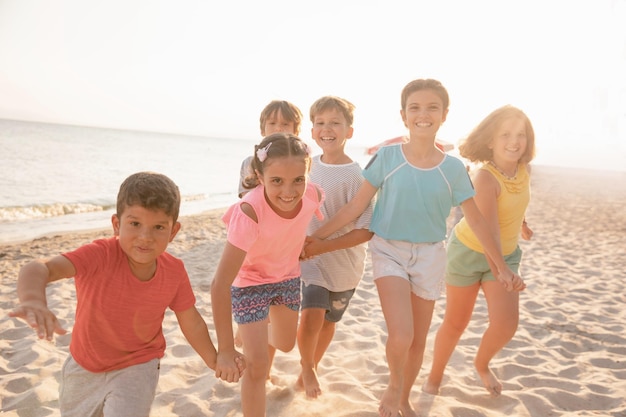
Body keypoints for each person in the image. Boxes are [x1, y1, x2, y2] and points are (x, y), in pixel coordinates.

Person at [308, 79, 525, 417]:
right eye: (415, 108)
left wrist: (501, 266)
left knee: (418, 339)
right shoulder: (388, 157)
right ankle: (394, 387)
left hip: (430, 256)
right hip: (388, 250)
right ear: (403, 115)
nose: (423, 114)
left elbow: (477, 221)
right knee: (402, 334)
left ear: (445, 114)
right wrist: (318, 238)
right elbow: (354, 208)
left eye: (431, 108)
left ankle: (404, 397)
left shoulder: (453, 169)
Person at [9, 172, 244, 417]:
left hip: (139, 365)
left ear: (173, 231)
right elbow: (39, 268)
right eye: (134, 224)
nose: (145, 237)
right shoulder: (99, 255)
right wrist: (33, 300)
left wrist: (213, 360)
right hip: (84, 367)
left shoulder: (174, 271)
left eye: (158, 227)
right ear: (116, 224)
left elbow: (191, 321)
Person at [423, 105, 535, 397]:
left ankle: (481, 364)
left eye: (520, 134)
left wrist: (521, 222)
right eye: (506, 135)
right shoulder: (484, 178)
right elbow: (489, 233)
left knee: (506, 325)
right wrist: (503, 271)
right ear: (490, 141)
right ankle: (435, 376)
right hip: (470, 253)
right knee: (457, 322)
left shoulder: (524, 169)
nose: (514, 141)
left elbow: (515, 198)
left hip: (505, 254)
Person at [211, 132, 324, 417]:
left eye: (298, 179)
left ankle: (252, 330)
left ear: (308, 173)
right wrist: (225, 349)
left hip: (286, 277)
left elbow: (301, 225)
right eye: (277, 181)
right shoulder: (249, 212)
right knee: (258, 366)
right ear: (260, 176)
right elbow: (219, 284)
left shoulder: (313, 194)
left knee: (286, 344)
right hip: (250, 282)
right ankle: (250, 332)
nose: (289, 191)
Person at [296, 96, 374, 399]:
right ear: (312, 131)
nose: (327, 129)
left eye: (335, 123)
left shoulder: (358, 176)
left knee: (328, 323)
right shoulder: (306, 167)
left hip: (345, 265)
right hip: (309, 260)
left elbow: (365, 232)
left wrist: (323, 246)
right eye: (320, 123)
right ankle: (307, 367)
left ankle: (311, 364)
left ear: (349, 132)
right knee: (311, 315)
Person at [238, 100, 303, 198]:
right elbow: (246, 198)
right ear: (262, 129)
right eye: (272, 123)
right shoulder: (249, 163)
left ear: (296, 131)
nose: (278, 128)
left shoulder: (301, 162)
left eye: (285, 124)